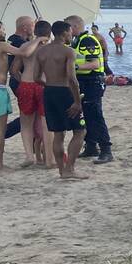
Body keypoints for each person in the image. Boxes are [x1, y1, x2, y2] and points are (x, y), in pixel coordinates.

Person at [0, 19, 42, 170]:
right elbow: (24, 52)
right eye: (3, 28)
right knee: (1, 129)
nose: (4, 31)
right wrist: (38, 39)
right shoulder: (1, 45)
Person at [35, 21, 87, 179]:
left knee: (58, 134)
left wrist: (49, 86)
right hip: (65, 92)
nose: (71, 35)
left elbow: (36, 77)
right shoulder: (68, 51)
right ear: (64, 33)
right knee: (79, 131)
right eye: (70, 32)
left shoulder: (41, 52)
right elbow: (72, 79)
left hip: (49, 91)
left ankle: (61, 170)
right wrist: (77, 101)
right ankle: (69, 169)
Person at [67, 15, 114, 163]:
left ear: (74, 27)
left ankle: (106, 149)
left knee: (95, 115)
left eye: (67, 27)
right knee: (86, 115)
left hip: (92, 81)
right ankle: (91, 146)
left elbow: (94, 64)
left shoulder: (87, 40)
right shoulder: (76, 41)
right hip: (83, 81)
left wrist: (73, 67)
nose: (66, 31)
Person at [10, 20, 56, 167]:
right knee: (47, 124)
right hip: (44, 85)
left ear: (35, 31)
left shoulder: (25, 46)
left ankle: (30, 156)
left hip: (26, 84)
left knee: (26, 124)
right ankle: (49, 159)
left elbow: (14, 70)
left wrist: (22, 80)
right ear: (49, 34)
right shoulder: (52, 48)